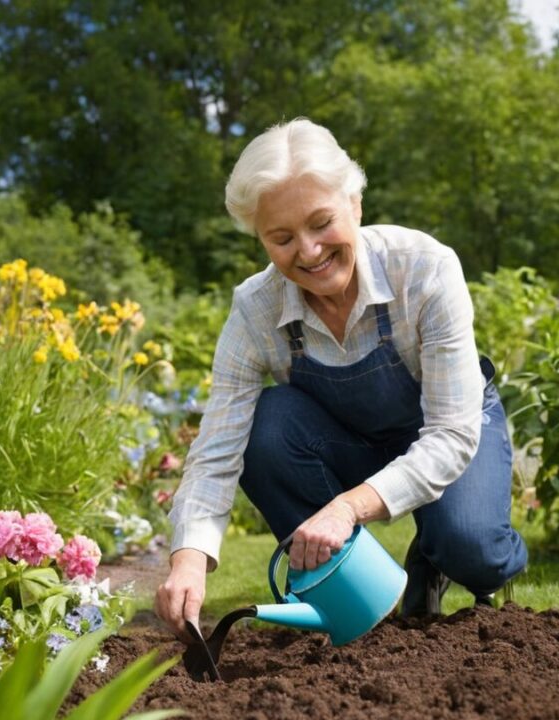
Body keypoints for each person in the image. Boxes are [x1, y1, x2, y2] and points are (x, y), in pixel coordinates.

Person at [155, 118, 527, 639]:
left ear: (355, 204)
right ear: (260, 239)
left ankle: (438, 554)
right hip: (345, 440)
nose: (307, 251)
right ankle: (348, 588)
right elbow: (217, 448)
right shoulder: (254, 311)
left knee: (473, 550)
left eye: (321, 222)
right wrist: (189, 559)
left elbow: (449, 434)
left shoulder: (423, 268)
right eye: (281, 238)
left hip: (446, 429)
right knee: (267, 426)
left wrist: (347, 506)